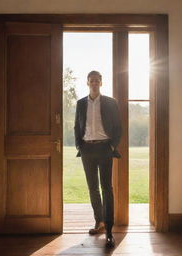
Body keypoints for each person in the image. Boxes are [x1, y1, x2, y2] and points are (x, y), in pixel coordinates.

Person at [74, 70, 122, 248]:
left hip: (104, 148)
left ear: (101, 83)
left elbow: (118, 127)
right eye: (91, 80)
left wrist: (111, 146)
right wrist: (80, 145)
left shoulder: (110, 103)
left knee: (106, 188)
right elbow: (76, 126)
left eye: (97, 80)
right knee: (93, 188)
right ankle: (99, 222)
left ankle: (109, 230)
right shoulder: (80, 103)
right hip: (87, 149)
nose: (94, 83)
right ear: (87, 83)